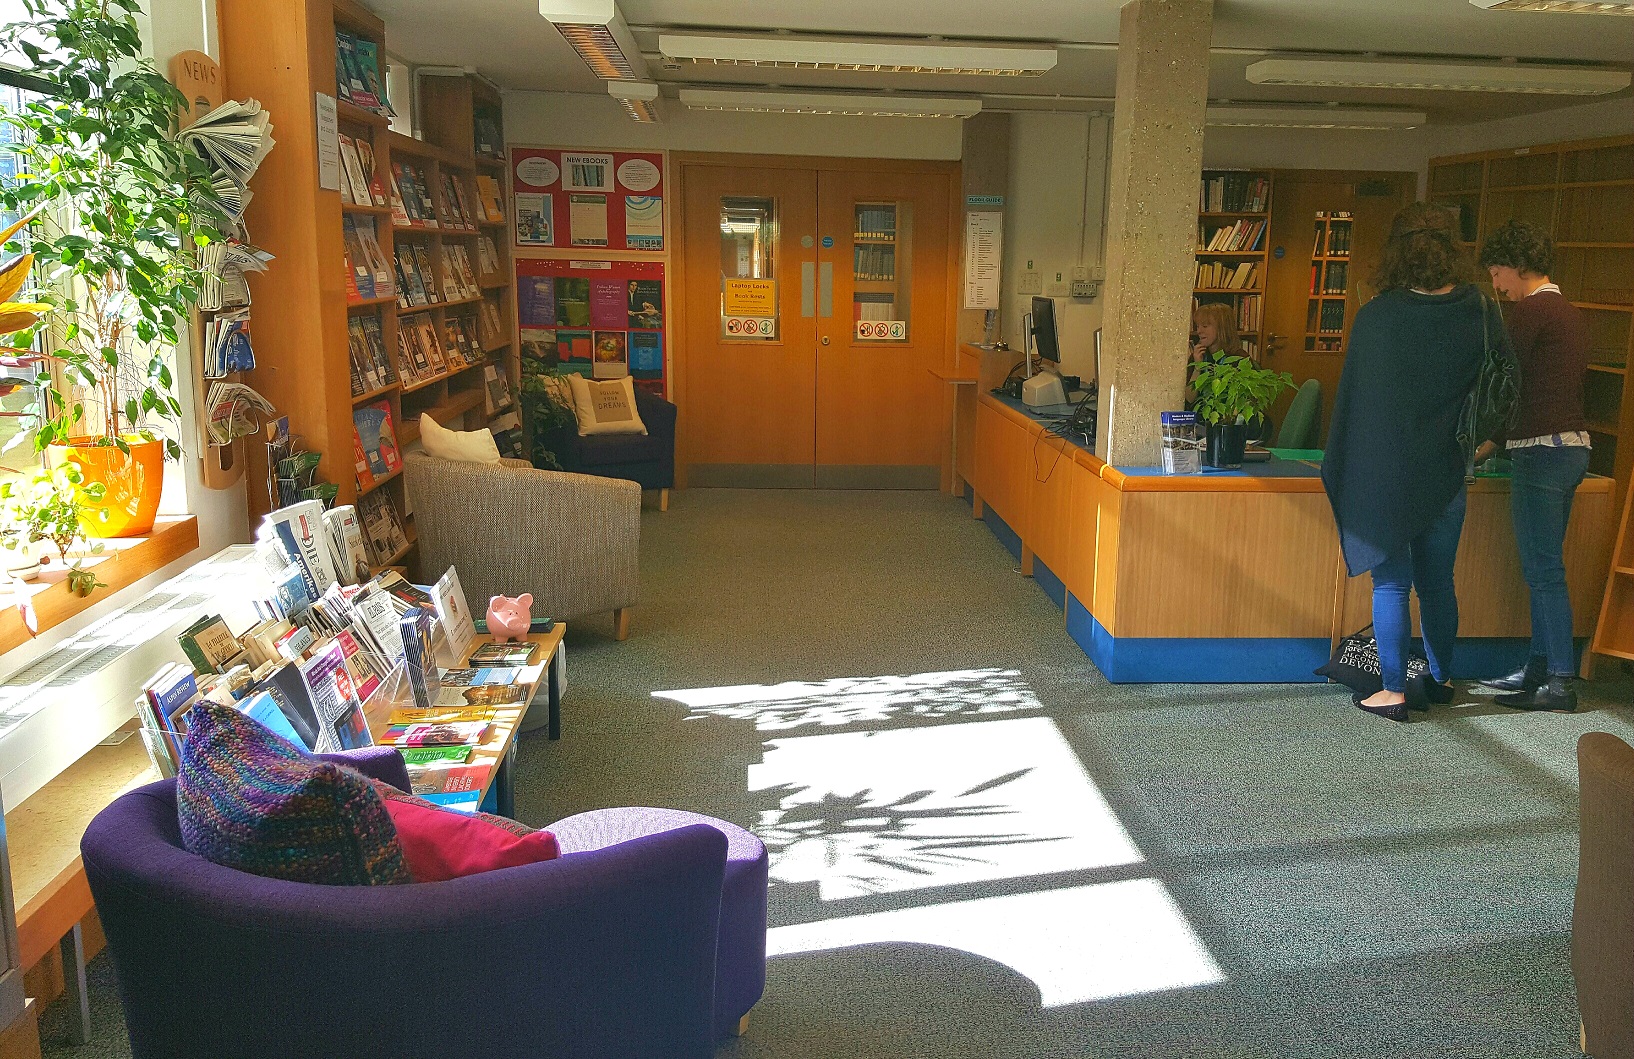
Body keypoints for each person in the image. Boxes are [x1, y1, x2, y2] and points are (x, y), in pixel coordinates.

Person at [1322, 203, 1493, 722]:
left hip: (1388, 475)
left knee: (1391, 583)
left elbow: (1356, 401)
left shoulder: (1378, 315)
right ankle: (1440, 679)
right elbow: (1500, 390)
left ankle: (1393, 691)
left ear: (1396, 254)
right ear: (1453, 253)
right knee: (1439, 581)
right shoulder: (1482, 311)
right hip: (1448, 472)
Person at [1475, 220, 1590, 713]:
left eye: (1497, 271)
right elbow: (1536, 390)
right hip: (1572, 449)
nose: (1496, 284)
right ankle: (1539, 669)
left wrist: (1480, 442)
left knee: (1543, 572)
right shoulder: (1568, 312)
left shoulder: (1529, 313)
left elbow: (1500, 383)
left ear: (1518, 267)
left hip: (1541, 453)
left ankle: (1561, 681)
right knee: (1546, 567)